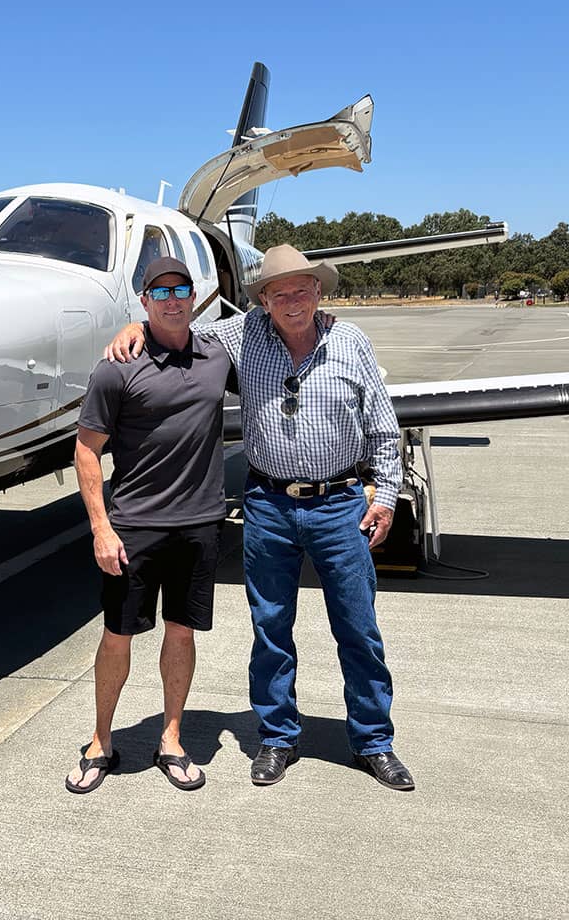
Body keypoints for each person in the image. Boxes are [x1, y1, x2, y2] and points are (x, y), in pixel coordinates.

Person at [106, 245, 413, 791]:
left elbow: (385, 428)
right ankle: (276, 736)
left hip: (340, 504)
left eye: (303, 290)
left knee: (359, 629)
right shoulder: (241, 335)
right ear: (264, 300)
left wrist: (385, 496)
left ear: (320, 292)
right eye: (279, 293)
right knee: (270, 628)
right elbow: (178, 329)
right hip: (268, 505)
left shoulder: (352, 342)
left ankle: (373, 741)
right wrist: (135, 325)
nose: (292, 302)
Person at [66, 256, 232, 793]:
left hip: (201, 523)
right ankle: (100, 741)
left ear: (194, 295)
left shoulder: (216, 354)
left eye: (181, 289)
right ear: (143, 302)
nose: (172, 299)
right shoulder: (117, 366)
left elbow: (267, 329)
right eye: (159, 293)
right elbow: (86, 452)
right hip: (135, 526)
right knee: (118, 636)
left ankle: (172, 739)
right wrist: (100, 528)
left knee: (181, 633)